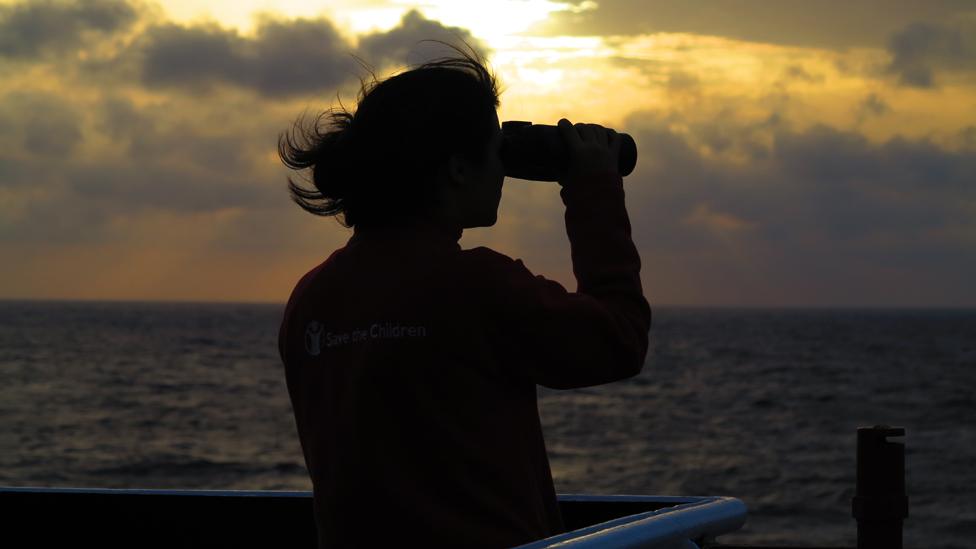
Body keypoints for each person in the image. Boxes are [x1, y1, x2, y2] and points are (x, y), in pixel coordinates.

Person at [276, 42, 651, 548]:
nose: (503, 173)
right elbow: (619, 339)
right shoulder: (477, 286)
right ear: (456, 169)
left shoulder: (311, 300)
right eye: (498, 152)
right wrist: (594, 190)